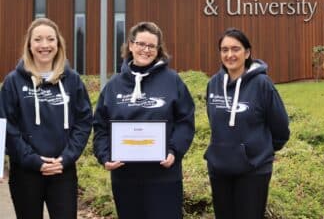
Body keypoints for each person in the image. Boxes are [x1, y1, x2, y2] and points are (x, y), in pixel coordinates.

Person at [93, 21, 195, 219]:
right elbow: (101, 125)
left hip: (164, 176)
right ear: (130, 45)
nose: (145, 50)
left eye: (151, 46)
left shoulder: (172, 81)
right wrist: (105, 156)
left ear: (158, 50)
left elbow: (185, 121)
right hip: (125, 178)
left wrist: (174, 151)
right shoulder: (114, 85)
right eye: (141, 44)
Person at [0, 17, 93, 219]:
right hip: (25, 171)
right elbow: (8, 126)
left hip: (63, 170)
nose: (44, 45)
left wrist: (66, 157)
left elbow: (84, 121)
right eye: (38, 39)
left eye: (50, 39)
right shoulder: (13, 82)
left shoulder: (73, 80)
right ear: (29, 45)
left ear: (58, 44)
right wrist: (33, 160)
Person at [204, 28, 290, 219]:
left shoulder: (262, 84)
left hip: (253, 170)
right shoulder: (213, 84)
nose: (229, 55)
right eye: (224, 50)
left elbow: (281, 129)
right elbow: (214, 121)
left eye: (235, 49)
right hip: (219, 169)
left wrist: (258, 151)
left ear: (247, 53)